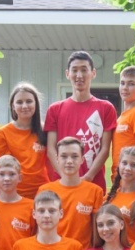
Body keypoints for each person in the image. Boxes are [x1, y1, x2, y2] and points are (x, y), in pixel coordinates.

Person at [44, 51, 117, 192]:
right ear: (67, 74)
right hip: (60, 184)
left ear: (93, 73)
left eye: (84, 70)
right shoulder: (55, 109)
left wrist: (88, 177)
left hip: (93, 184)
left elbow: (105, 149)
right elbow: (51, 149)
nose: (79, 75)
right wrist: (66, 178)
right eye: (74, 70)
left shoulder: (106, 108)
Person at [37, 137, 103, 249]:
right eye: (64, 156)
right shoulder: (45, 190)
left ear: (82, 159)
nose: (69, 161)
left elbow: (96, 231)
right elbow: (40, 228)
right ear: (57, 158)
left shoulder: (95, 191)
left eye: (74, 156)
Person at [0, 82, 48, 198]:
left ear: (36, 104)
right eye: (19, 102)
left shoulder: (46, 130)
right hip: (15, 193)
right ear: (13, 106)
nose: (24, 106)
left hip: (43, 193)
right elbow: (1, 169)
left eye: (29, 101)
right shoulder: (3, 134)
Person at [105, 146, 135, 245]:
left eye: (133, 165)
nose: (127, 168)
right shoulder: (108, 198)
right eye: (124, 163)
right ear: (119, 164)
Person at [0, 156, 35, 250]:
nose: (7, 179)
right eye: (1, 174)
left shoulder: (31, 206)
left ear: (20, 178)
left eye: (12, 174)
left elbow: (35, 239)